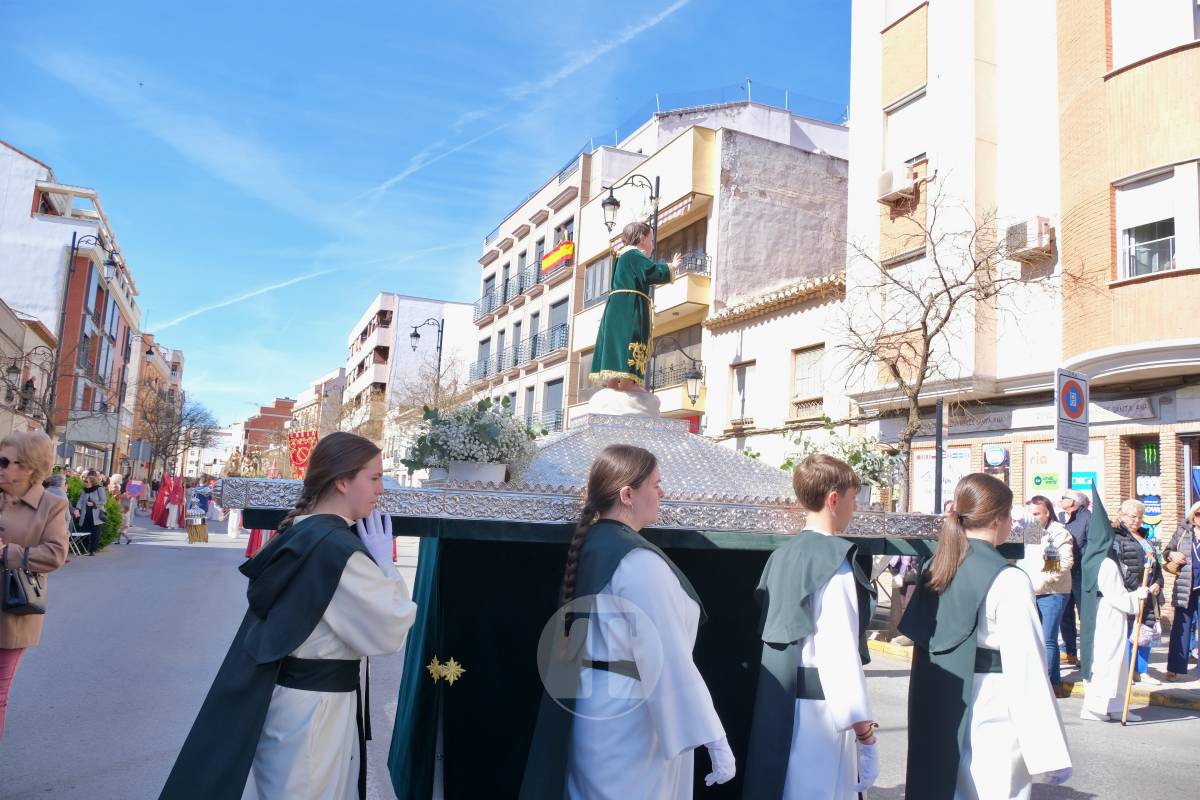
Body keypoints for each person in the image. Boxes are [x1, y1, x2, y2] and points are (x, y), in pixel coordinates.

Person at [161, 432, 417, 799]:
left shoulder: (305, 532)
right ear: (343, 481)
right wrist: (385, 567)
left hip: (297, 702)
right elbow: (389, 630)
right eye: (374, 478)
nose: (381, 490)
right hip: (316, 710)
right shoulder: (336, 550)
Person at [520, 444, 734, 799]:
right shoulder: (636, 560)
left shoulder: (593, 544)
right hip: (627, 718)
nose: (662, 492)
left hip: (593, 707)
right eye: (655, 483)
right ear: (627, 494)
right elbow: (667, 655)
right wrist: (716, 739)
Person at [900, 473, 1071, 798]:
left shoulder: (938, 566)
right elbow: (1027, 670)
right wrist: (1047, 751)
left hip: (940, 705)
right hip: (993, 712)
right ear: (999, 519)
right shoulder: (1007, 580)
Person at [743, 454, 879, 799]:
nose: (855, 508)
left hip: (781, 708)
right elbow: (840, 656)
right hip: (824, 719)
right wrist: (865, 735)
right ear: (833, 499)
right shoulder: (835, 564)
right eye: (852, 499)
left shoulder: (781, 557)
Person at [0, 431, 70, 739]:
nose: (0, 467)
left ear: (28, 467)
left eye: (5, 461)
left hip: (12, 611)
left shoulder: (51, 506)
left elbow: (55, 554)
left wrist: (7, 553)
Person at [1080, 494, 1154, 722]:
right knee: (1107, 661)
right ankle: (1096, 707)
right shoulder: (1106, 563)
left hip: (1109, 614)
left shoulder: (1096, 558)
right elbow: (1117, 596)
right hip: (1108, 615)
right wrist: (1138, 596)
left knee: (1119, 663)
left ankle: (1116, 705)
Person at [588, 221, 681, 391]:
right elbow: (650, 271)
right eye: (652, 240)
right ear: (642, 238)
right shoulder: (634, 255)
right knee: (631, 338)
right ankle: (627, 383)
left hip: (617, 308)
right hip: (629, 308)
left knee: (617, 344)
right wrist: (671, 267)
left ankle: (612, 385)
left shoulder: (622, 256)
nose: (653, 245)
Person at [1015, 495, 1075, 697]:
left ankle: (1048, 684)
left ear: (1047, 512)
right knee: (1039, 638)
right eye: (1030, 514)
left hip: (1053, 591)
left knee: (1048, 639)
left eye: (1037, 514)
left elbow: (1061, 563)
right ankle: (1054, 683)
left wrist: (1039, 583)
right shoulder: (1032, 530)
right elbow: (1028, 559)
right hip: (1032, 590)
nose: (1033, 518)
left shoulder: (1058, 533)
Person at [1113, 500, 1164, 684]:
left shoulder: (1147, 540)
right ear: (1122, 516)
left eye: (1140, 517)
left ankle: (1142, 670)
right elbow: (1120, 567)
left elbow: (1157, 565)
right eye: (1132, 517)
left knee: (1145, 632)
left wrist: (1158, 582)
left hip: (1150, 592)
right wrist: (1138, 587)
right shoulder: (1117, 538)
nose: (1137, 521)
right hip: (1132, 592)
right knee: (1130, 632)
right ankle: (1127, 671)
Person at [1164, 501, 1200, 681]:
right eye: (1199, 513)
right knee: (1181, 627)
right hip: (1186, 585)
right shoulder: (1184, 531)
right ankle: (1175, 667)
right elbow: (1166, 551)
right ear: (1193, 515)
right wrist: (1172, 555)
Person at [1057, 489, 1091, 667]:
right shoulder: (1062, 519)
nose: (1061, 500)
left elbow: (1088, 544)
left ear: (1073, 502)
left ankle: (1088, 654)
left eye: (1064, 498)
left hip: (1081, 573)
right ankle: (1070, 651)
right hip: (1065, 573)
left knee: (1084, 613)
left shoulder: (1087, 518)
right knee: (1065, 613)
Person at [72, 469, 108, 556]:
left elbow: (103, 501)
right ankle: (85, 549)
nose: (85, 483)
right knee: (85, 531)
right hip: (85, 514)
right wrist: (77, 509)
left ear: (92, 482)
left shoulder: (99, 489)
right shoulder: (85, 490)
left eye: (86, 481)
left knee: (95, 533)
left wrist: (94, 503)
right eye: (84, 481)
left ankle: (92, 550)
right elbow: (80, 501)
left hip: (96, 515)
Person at [108, 473, 132, 545]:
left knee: (121, 524)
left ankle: (118, 540)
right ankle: (126, 537)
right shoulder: (116, 487)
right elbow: (117, 497)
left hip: (119, 506)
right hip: (119, 506)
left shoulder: (113, 486)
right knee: (122, 524)